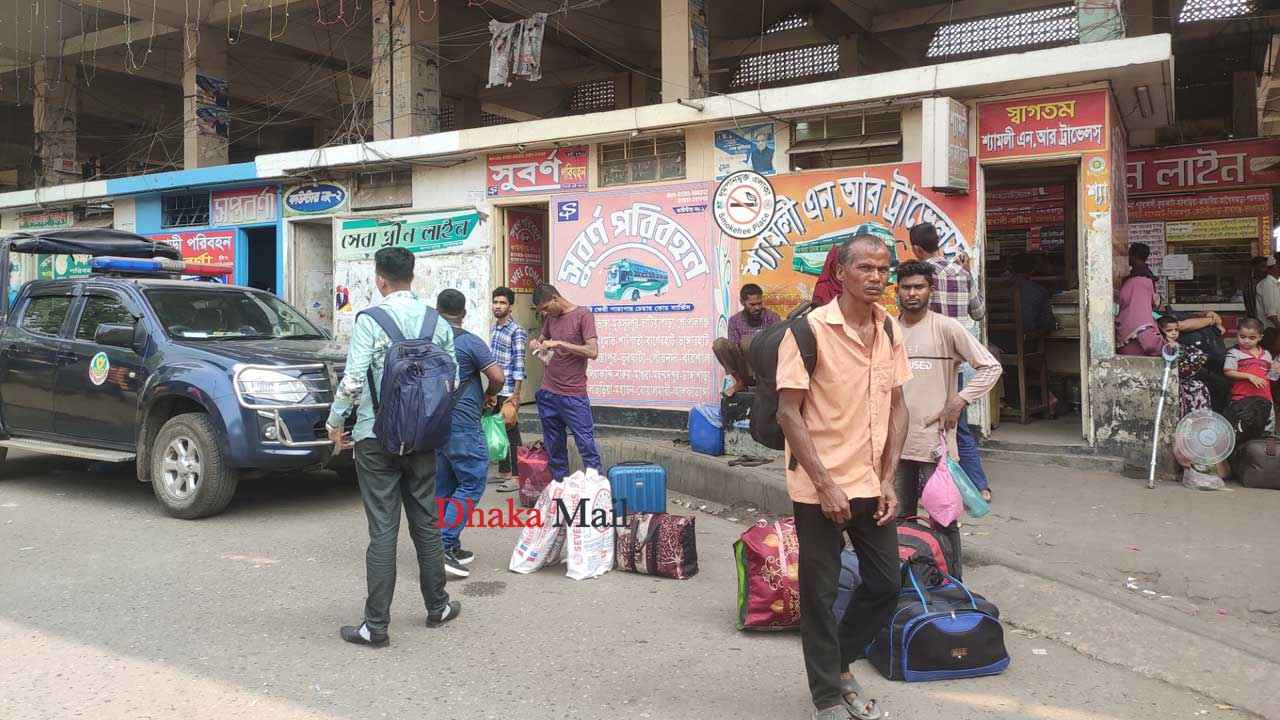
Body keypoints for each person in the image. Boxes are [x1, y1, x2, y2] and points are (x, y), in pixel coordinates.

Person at [775, 234, 911, 720]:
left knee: (884, 582)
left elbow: (899, 407)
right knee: (821, 591)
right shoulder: (809, 332)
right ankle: (828, 697)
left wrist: (889, 477)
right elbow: (789, 413)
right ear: (842, 273)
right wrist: (826, 483)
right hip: (819, 487)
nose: (877, 278)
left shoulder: (890, 330)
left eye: (883, 269)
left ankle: (838, 662)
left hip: (872, 484)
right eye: (866, 269)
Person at [325, 247, 461, 647]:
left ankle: (376, 626)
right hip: (423, 439)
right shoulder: (437, 322)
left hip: (376, 436)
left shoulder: (371, 320)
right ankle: (437, 607)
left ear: (379, 279)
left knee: (383, 528)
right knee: (427, 523)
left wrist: (335, 422)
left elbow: (352, 380)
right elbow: (449, 379)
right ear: (412, 276)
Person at [893, 261, 1001, 573]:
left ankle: (952, 584)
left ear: (931, 290)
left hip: (934, 447)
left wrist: (959, 401)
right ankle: (910, 585)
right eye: (906, 287)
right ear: (896, 290)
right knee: (898, 521)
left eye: (919, 287)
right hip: (896, 445)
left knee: (943, 519)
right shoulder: (887, 329)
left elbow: (990, 367)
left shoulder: (946, 327)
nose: (912, 293)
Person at [909, 222, 992, 502]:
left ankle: (950, 489)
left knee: (935, 423)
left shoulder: (921, 277)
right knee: (959, 424)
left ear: (917, 249)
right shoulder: (962, 272)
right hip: (962, 359)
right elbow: (978, 313)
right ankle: (977, 487)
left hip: (932, 362)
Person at [435, 289, 504, 578]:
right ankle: (443, 545)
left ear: (437, 311)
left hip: (434, 425)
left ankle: (447, 543)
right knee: (473, 482)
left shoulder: (428, 341)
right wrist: (491, 395)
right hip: (463, 424)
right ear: (464, 313)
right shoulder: (471, 343)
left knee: (444, 487)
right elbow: (498, 377)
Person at [529, 283, 602, 481]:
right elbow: (542, 340)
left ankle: (596, 491)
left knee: (586, 445)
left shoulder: (583, 315)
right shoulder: (550, 318)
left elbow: (592, 352)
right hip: (548, 392)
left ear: (555, 298)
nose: (544, 313)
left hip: (573, 394)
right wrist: (536, 345)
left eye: (545, 308)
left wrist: (560, 343)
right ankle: (560, 489)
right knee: (554, 448)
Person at [489, 286, 528, 493]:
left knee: (512, 433)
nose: (498, 306)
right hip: (495, 388)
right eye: (495, 302)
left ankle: (516, 476)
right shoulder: (494, 328)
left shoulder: (517, 331)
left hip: (509, 389)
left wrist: (516, 395)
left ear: (510, 307)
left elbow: (520, 364)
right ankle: (504, 472)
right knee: (498, 429)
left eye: (502, 303)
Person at [712, 283, 781, 396]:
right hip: (745, 367)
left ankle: (764, 384)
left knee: (750, 342)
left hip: (767, 367)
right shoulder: (735, 320)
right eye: (752, 304)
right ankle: (740, 382)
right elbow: (734, 348)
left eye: (759, 303)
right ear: (742, 302)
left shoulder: (773, 318)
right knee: (719, 344)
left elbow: (779, 346)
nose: (757, 308)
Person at [1224, 318, 1280, 432]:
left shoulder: (1267, 355)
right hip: (1242, 399)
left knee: (1266, 432)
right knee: (1242, 431)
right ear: (1237, 334)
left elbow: (1271, 377)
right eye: (1242, 337)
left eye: (1252, 338)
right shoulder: (1234, 353)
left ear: (1260, 337)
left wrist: (1276, 370)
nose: (1246, 341)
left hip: (1266, 400)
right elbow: (1228, 371)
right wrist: (1249, 376)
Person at [1157, 315, 1211, 419]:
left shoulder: (1179, 344)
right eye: (1169, 330)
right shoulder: (1163, 346)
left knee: (1201, 388)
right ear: (1160, 331)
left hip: (1188, 381)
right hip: (1175, 383)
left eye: (1176, 330)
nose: (1174, 333)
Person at [1255, 256, 1280, 350]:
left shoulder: (1275, 283)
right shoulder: (1267, 284)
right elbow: (1271, 313)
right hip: (1270, 331)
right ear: (1275, 266)